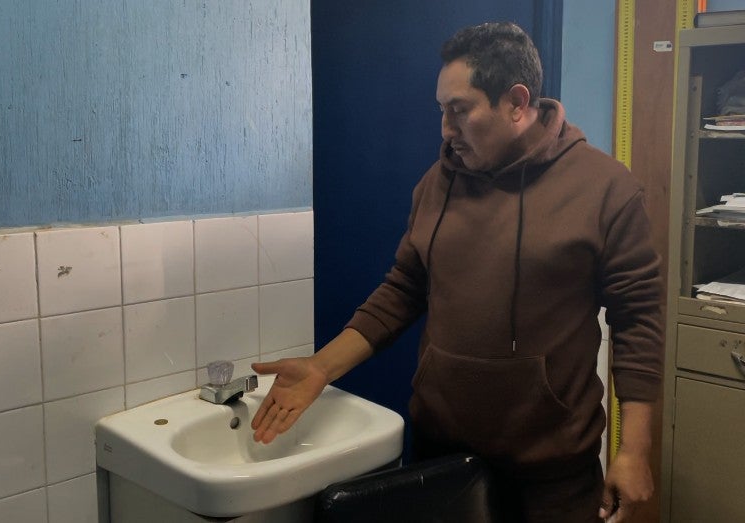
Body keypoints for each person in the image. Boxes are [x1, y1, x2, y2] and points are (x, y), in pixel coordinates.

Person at [250, 21, 663, 523]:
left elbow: (638, 319)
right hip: (440, 457)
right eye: (442, 111)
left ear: (516, 102)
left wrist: (635, 449)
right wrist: (321, 366)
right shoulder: (436, 183)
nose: (445, 130)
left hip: (551, 475)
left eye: (459, 111)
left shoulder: (606, 190)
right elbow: (402, 290)